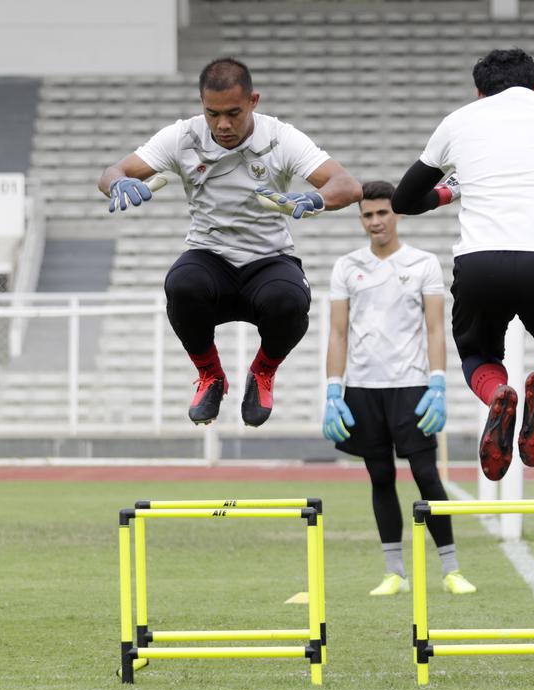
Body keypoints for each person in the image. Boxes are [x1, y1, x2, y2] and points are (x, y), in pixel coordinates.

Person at [98, 58, 361, 426]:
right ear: (202, 105)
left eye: (233, 113)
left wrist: (314, 199)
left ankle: (263, 372)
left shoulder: (280, 137)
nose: (222, 124)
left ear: (253, 100)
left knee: (289, 301)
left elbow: (347, 186)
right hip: (210, 256)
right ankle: (211, 376)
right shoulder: (183, 136)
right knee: (181, 284)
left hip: (268, 259)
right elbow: (113, 171)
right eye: (212, 113)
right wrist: (118, 182)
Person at [390, 48, 534, 481]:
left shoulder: (458, 122)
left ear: (479, 92)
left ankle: (497, 393)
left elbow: (403, 200)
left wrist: (448, 192)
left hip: (479, 263)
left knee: (478, 353)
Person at [323, 180, 476, 596]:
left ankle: (451, 569)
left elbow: (434, 329)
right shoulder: (346, 266)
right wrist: (333, 391)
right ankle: (394, 572)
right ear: (360, 218)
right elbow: (338, 334)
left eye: (383, 213)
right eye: (368, 215)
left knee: (427, 475)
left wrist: (438, 384)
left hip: (412, 387)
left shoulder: (424, 263)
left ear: (398, 214)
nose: (376, 221)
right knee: (380, 477)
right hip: (363, 389)